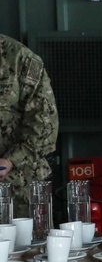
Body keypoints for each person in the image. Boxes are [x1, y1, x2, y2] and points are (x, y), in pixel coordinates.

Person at [0, 34, 58, 215]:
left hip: (18, 186)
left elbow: (44, 123)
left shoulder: (19, 58)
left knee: (26, 241)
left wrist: (10, 160)